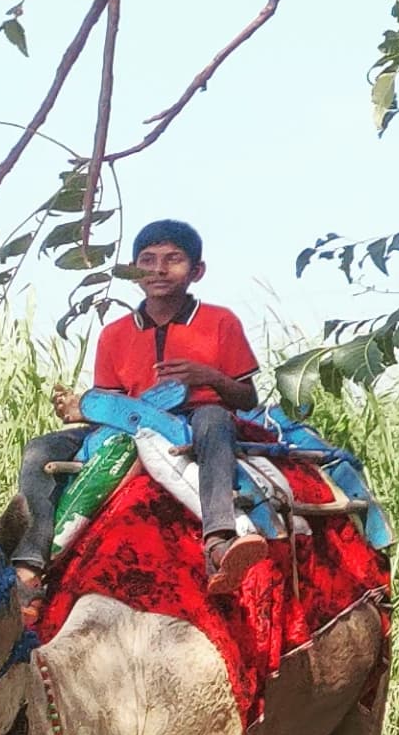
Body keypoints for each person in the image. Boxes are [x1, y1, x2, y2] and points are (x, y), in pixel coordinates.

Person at [14, 219, 257, 590]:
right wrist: (82, 408)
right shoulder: (115, 334)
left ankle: (219, 540)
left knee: (213, 418)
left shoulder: (220, 321)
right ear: (133, 270)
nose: (159, 269)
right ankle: (30, 560)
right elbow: (108, 405)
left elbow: (247, 396)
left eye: (173, 259)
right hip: (126, 423)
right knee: (41, 448)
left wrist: (207, 376)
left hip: (195, 418)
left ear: (197, 271)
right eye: (147, 260)